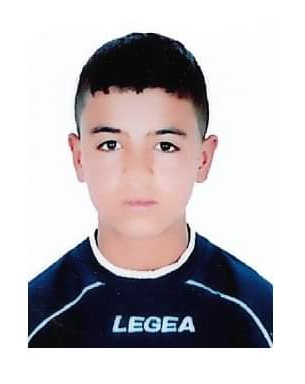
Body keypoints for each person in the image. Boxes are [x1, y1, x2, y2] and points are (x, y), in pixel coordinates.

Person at [28, 32, 272, 347]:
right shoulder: (32, 318)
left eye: (165, 145)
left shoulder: (262, 316)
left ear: (203, 159)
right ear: (78, 157)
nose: (138, 172)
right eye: (111, 144)